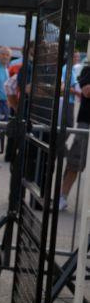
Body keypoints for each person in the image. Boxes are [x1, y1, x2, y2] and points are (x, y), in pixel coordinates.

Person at [59, 61, 90, 211]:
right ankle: (62, 197)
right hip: (86, 122)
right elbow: (86, 91)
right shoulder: (87, 70)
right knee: (75, 161)